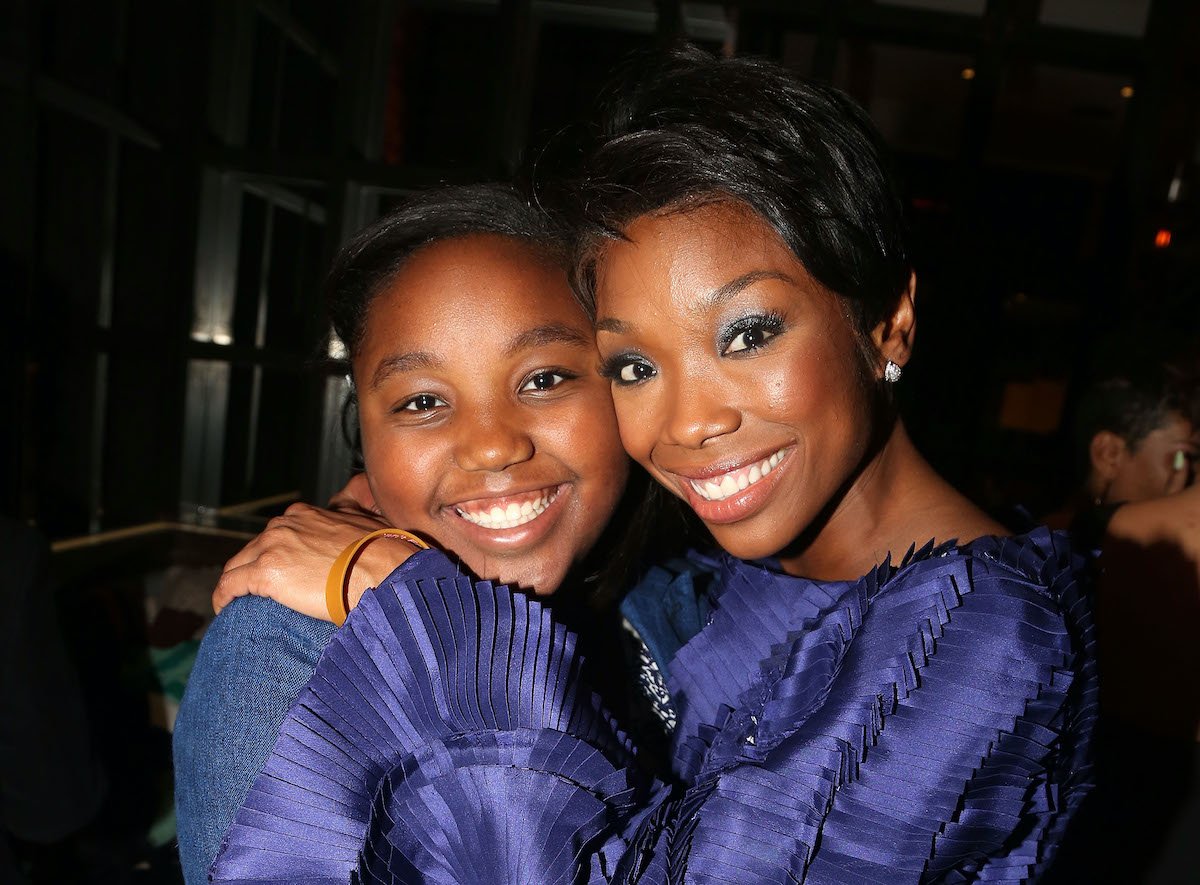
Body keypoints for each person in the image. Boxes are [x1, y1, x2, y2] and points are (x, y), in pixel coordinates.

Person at [212, 47, 1097, 883]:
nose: (688, 422)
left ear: (888, 321)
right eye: (634, 366)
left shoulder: (986, 636)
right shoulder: (732, 572)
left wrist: (415, 601)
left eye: (748, 334)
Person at [172, 182, 636, 884]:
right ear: (364, 430)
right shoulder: (284, 655)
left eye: (543, 378)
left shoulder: (654, 604)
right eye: (422, 400)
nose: (491, 446)